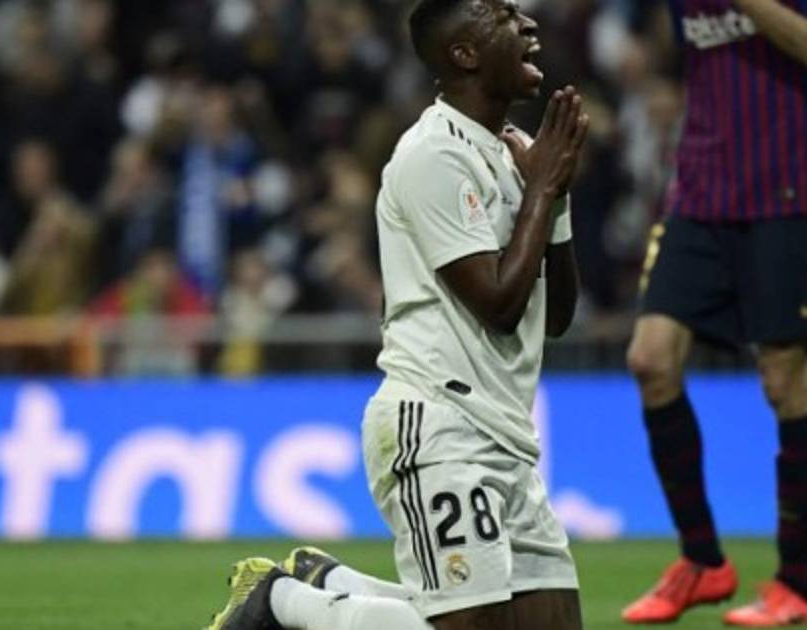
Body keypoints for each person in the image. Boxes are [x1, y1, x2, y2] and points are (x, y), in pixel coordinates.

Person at [201, 1, 589, 629]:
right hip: (438, 421)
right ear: (464, 53)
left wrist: (557, 197)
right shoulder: (432, 155)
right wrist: (541, 189)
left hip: (508, 435)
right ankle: (282, 602)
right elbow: (498, 304)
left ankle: (335, 584)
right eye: (502, 15)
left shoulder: (516, 153)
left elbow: (558, 316)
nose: (527, 24)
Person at [621, 0, 807, 626]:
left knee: (785, 382)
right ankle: (702, 560)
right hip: (699, 196)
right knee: (650, 359)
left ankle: (794, 586)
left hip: (786, 196)